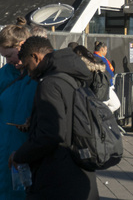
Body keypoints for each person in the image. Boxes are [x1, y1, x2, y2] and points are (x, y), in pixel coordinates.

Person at [9, 36, 99, 200]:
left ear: (36, 57)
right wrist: (36, 122)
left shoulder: (49, 83)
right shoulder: (73, 76)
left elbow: (51, 135)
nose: (29, 74)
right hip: (81, 172)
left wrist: (19, 155)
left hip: (58, 178)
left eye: (28, 66)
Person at [0, 25, 35, 200]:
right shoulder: (3, 75)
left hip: (31, 151)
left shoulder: (40, 75)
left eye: (9, 55)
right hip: (5, 153)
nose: (8, 61)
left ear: (21, 46)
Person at [93, 41, 120, 113]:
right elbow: (108, 72)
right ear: (102, 49)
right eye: (106, 50)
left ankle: (103, 118)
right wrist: (112, 76)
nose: (106, 51)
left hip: (102, 86)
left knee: (107, 104)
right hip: (105, 86)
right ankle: (102, 116)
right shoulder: (101, 59)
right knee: (115, 104)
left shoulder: (94, 57)